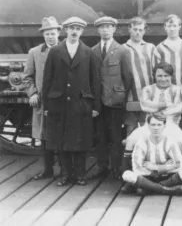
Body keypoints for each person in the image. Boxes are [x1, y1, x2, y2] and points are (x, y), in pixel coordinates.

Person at [42, 17, 101, 186]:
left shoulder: (88, 52)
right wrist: (47, 105)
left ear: (82, 32)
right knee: (61, 140)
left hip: (81, 103)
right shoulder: (55, 51)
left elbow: (95, 80)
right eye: (71, 28)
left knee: (81, 139)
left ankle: (80, 174)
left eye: (78, 29)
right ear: (65, 30)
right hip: (59, 103)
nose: (74, 31)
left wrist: (95, 106)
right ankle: (65, 174)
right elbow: (48, 79)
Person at [122, 62, 182, 185]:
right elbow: (144, 106)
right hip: (149, 126)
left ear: (171, 76)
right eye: (159, 76)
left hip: (170, 125)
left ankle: (177, 177)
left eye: (166, 76)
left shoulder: (176, 90)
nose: (163, 79)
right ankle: (128, 178)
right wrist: (165, 106)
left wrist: (161, 113)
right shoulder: (148, 89)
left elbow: (178, 108)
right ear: (154, 76)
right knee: (130, 140)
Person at [91, 16, 133, 179]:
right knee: (100, 136)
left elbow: (128, 77)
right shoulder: (92, 50)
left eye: (108, 27)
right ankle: (102, 167)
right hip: (98, 101)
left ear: (114, 29)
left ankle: (116, 168)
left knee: (116, 136)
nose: (105, 30)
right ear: (98, 30)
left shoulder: (122, 50)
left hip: (116, 100)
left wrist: (121, 95)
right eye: (102, 27)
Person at [23, 16, 61, 180]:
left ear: (58, 33)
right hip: (43, 102)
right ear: (43, 35)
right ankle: (47, 169)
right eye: (47, 34)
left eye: (53, 33)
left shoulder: (66, 50)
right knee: (44, 137)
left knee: (62, 134)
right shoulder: (35, 52)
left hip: (62, 101)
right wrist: (32, 93)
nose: (50, 37)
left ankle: (65, 170)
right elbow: (28, 77)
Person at [122, 113, 182, 196]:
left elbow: (179, 165)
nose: (156, 128)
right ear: (148, 126)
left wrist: (156, 168)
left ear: (164, 126)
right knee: (127, 175)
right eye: (153, 125)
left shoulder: (170, 142)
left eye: (159, 125)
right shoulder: (141, 142)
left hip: (167, 177)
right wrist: (166, 167)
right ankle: (166, 190)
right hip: (147, 177)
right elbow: (137, 168)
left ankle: (148, 188)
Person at [123, 17, 156, 136]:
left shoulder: (151, 47)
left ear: (144, 31)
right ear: (129, 29)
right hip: (130, 95)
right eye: (135, 29)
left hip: (148, 96)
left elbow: (155, 70)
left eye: (141, 30)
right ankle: (129, 153)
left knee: (147, 127)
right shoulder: (122, 48)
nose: (138, 32)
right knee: (130, 128)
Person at [154, 14, 182, 86]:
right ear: (165, 27)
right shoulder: (159, 48)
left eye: (174, 26)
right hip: (166, 89)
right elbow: (157, 73)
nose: (172, 29)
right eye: (169, 26)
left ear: (179, 26)